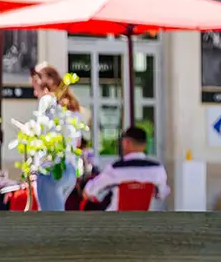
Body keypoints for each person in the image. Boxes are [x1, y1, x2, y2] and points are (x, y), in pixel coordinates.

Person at [25, 63, 89, 210]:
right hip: (69, 171)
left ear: (43, 83)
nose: (35, 93)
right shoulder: (72, 107)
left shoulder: (47, 102)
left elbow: (42, 135)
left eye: (35, 86)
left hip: (50, 170)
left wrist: (29, 132)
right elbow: (77, 141)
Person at [83, 126, 170, 209]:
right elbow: (162, 194)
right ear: (144, 145)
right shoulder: (158, 169)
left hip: (113, 220)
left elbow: (89, 191)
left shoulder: (115, 169)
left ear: (126, 143)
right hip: (144, 219)